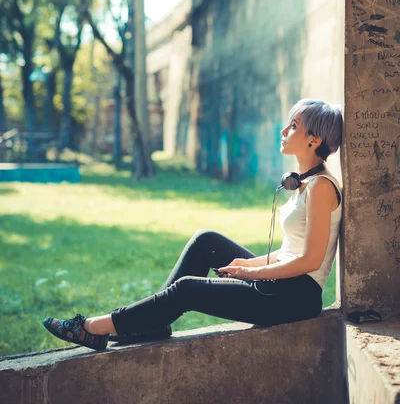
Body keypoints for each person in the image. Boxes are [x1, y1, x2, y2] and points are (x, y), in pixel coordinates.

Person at [43, 98, 343, 351]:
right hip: (282, 283)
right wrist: (250, 264)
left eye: (293, 126)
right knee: (206, 241)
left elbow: (310, 260)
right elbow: (291, 250)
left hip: (294, 298)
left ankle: (93, 327)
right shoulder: (305, 183)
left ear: (313, 140)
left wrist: (254, 272)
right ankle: (151, 324)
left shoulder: (321, 188)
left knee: (187, 290)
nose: (283, 130)